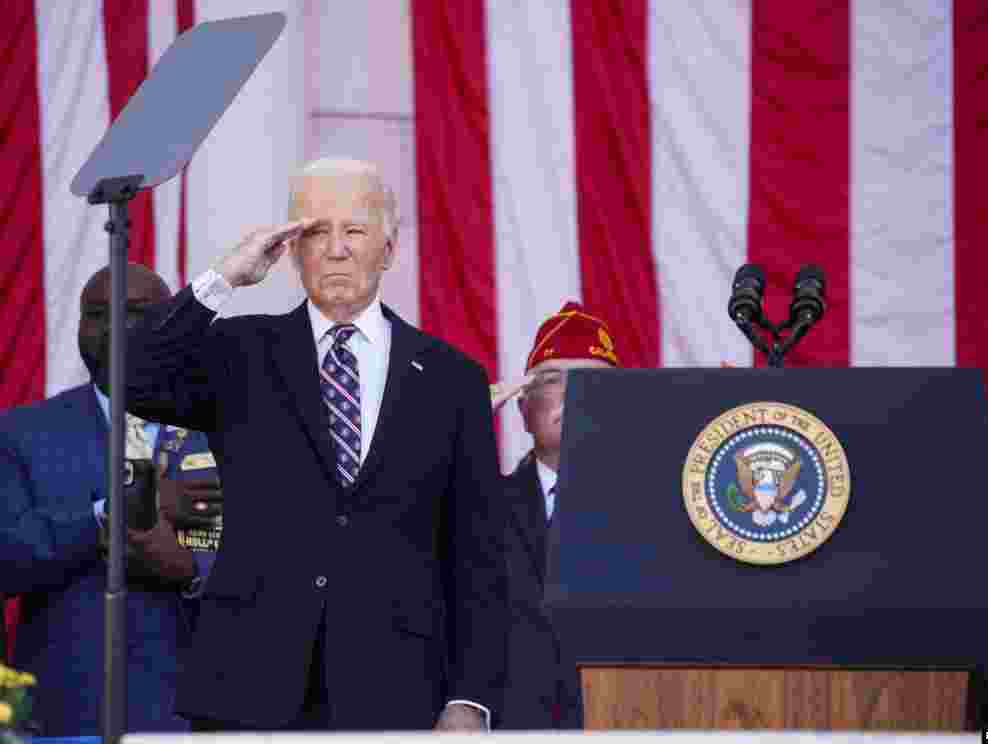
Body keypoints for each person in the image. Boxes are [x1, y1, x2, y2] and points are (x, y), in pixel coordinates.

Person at [105, 158, 508, 731]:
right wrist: (225, 278)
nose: (337, 249)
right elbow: (131, 375)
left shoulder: (450, 379)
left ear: (388, 251)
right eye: (317, 232)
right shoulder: (241, 352)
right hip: (249, 687)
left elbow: (477, 560)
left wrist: (469, 699)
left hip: (394, 689)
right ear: (292, 250)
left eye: (356, 231)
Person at [0, 264, 219, 735]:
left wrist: (189, 572)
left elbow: (280, 563)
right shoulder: (22, 434)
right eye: (97, 313)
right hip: (64, 712)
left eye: (139, 313)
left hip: (198, 715)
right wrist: (115, 512)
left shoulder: (230, 429)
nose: (117, 326)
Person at [492, 301, 619, 729]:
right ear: (522, 408)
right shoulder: (480, 507)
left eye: (592, 381)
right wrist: (453, 427)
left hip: (627, 721)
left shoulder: (663, 512)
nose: (575, 393)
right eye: (554, 379)